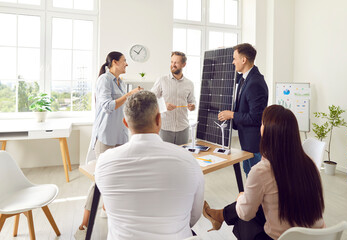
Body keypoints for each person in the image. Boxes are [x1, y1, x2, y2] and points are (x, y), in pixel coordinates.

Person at [204, 105, 325, 240]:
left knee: (243, 217)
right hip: (315, 236)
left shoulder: (261, 171)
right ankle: (220, 215)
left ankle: (220, 216)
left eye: (262, 124)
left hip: (281, 237)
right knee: (258, 202)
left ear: (267, 132)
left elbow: (245, 214)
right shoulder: (311, 165)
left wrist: (240, 199)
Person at [95, 90, 204, 240]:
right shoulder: (188, 160)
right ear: (159, 120)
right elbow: (194, 216)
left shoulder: (104, 161)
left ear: (125, 123)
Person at [75, 51, 141, 239]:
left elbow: (121, 108)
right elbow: (107, 106)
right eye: (124, 61)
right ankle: (84, 225)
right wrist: (129, 94)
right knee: (99, 181)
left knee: (119, 177)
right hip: (105, 138)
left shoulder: (119, 82)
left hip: (120, 137)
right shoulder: (104, 80)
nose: (126, 64)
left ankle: (107, 209)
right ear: (114, 62)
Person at [218, 43, 268, 176]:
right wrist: (222, 57)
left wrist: (232, 115)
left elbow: (256, 117)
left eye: (234, 59)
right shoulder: (245, 78)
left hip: (254, 144)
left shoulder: (255, 83)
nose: (233, 62)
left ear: (243, 60)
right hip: (247, 142)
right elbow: (231, 74)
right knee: (249, 176)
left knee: (254, 178)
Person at [151, 51, 196, 145]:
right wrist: (163, 105)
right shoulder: (162, 80)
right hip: (165, 128)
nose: (173, 65)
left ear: (184, 64)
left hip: (183, 128)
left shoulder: (189, 84)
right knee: (164, 157)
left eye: (176, 62)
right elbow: (150, 100)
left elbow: (192, 101)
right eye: (172, 62)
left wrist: (192, 106)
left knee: (181, 157)